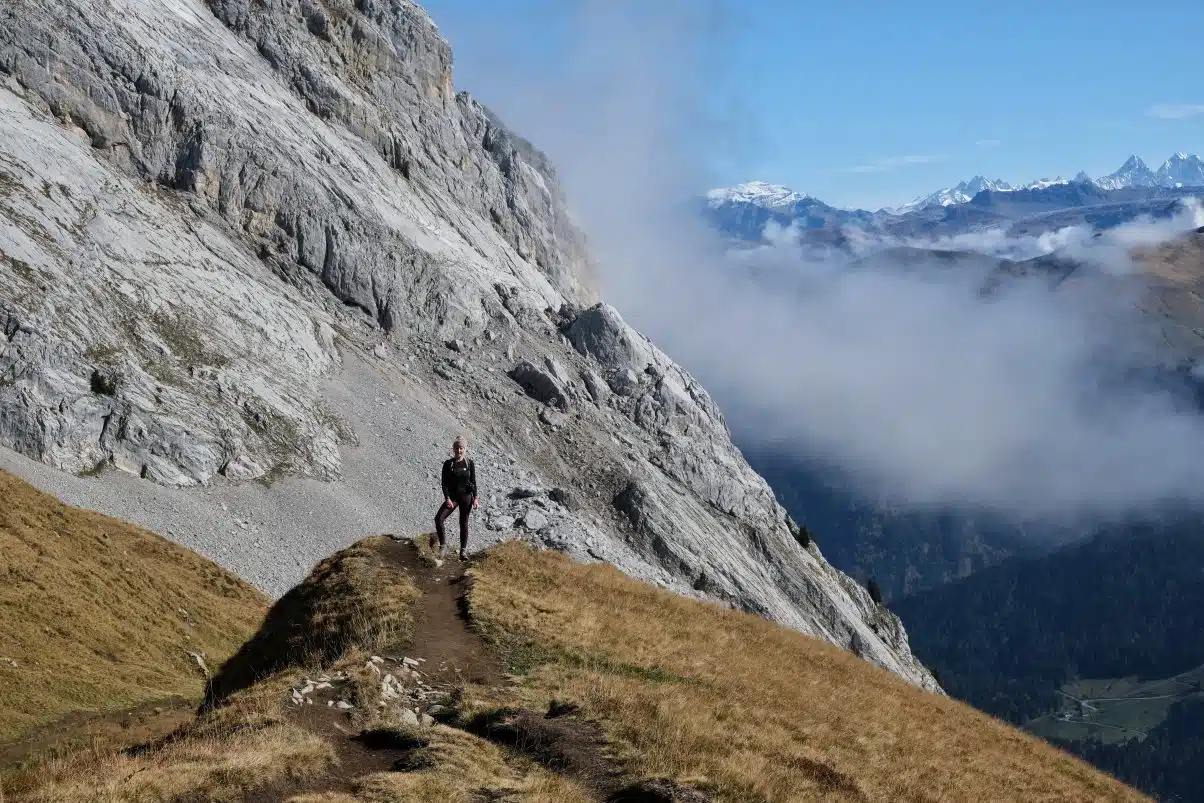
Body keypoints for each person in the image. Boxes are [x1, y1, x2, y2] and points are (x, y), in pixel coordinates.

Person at [431, 435, 478, 560]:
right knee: (439, 519)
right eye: (457, 448)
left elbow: (473, 481)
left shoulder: (469, 463)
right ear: (453, 449)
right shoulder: (448, 464)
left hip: (467, 497)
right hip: (453, 498)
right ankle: (443, 546)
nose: (459, 450)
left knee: (463, 523)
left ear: (465, 449)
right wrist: (447, 498)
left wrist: (476, 498)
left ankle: (463, 551)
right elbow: (444, 483)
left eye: (461, 448)